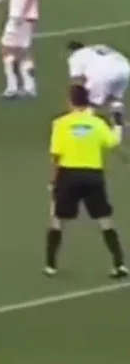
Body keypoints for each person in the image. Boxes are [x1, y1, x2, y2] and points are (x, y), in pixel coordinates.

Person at [46, 84, 128, 279]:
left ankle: (50, 265)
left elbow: (56, 156)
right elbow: (113, 143)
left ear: (70, 101)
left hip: (68, 175)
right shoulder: (97, 123)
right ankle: (119, 264)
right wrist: (127, 160)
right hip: (93, 175)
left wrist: (53, 180)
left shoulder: (60, 123)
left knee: (58, 219)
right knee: (104, 218)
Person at [66, 41, 130, 129]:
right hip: (125, 69)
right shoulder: (98, 47)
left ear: (71, 51)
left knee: (91, 102)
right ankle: (118, 124)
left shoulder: (75, 56)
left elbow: (77, 80)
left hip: (103, 73)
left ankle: (84, 126)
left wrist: (80, 96)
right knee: (115, 97)